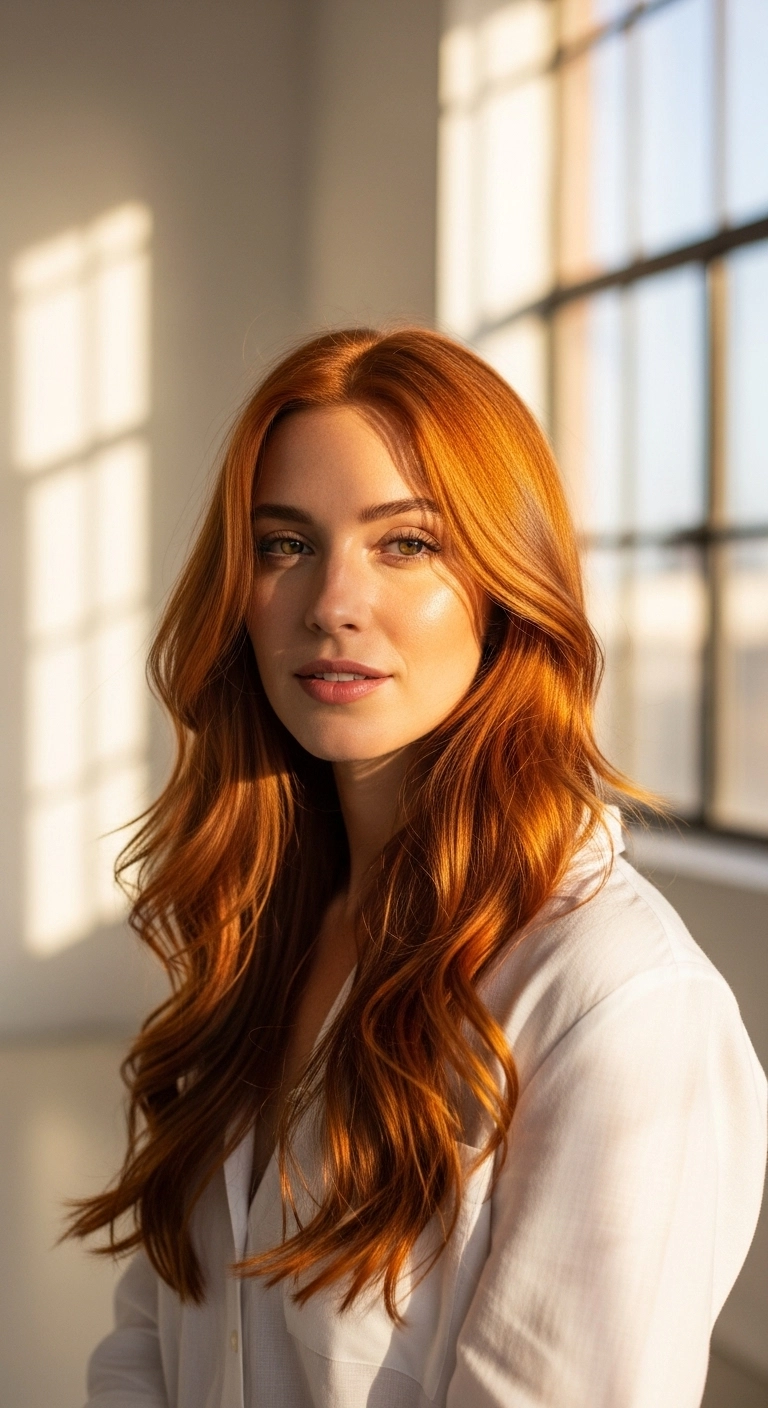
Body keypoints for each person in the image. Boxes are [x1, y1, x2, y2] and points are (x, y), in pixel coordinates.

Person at [71, 327, 766, 1408]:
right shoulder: (262, 925)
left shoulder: (620, 1006)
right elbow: (149, 1344)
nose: (331, 603)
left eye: (406, 544)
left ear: (506, 586)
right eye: (283, 545)